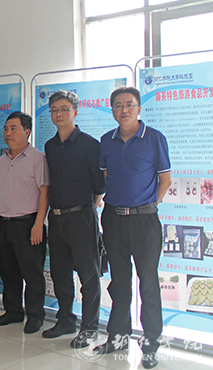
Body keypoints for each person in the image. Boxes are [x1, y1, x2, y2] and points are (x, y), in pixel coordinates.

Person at [95, 86, 171, 369]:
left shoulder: (154, 138)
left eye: (129, 104)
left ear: (139, 108)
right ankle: (117, 337)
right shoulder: (106, 140)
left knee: (148, 283)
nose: (123, 110)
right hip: (113, 219)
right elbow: (106, 178)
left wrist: (149, 204)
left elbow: (165, 179)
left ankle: (150, 344)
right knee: (119, 281)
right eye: (118, 105)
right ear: (112, 110)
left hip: (144, 221)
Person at [43, 91, 105, 347]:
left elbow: (100, 187)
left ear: (75, 112)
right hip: (56, 218)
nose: (59, 114)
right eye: (54, 110)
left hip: (81, 217)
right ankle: (66, 320)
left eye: (64, 109)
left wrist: (87, 209)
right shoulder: (49, 146)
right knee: (60, 273)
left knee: (88, 275)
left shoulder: (90, 145)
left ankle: (89, 328)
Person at [0, 111, 49, 334]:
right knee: (8, 271)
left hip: (28, 224)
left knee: (32, 272)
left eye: (13, 129)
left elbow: (44, 193)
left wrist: (38, 224)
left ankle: (35, 315)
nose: (8, 133)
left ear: (27, 132)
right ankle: (13, 311)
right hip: (4, 222)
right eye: (6, 129)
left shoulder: (37, 158)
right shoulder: (1, 160)